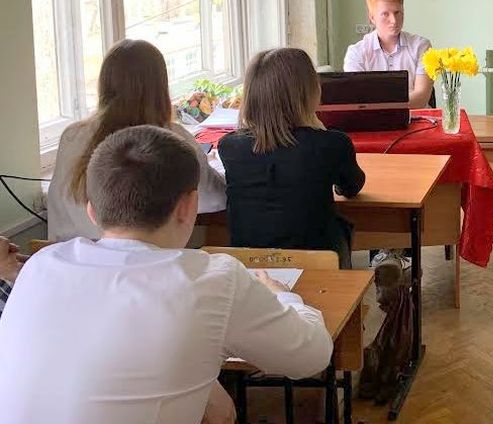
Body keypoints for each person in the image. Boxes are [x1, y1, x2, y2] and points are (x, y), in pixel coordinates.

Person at [0, 125, 332, 424]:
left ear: (91, 210)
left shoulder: (40, 266)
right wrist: (284, 295)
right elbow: (310, 356)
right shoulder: (214, 279)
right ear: (188, 207)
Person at [47, 39, 226, 241]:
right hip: (140, 258)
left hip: (66, 255)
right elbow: (214, 198)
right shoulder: (171, 140)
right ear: (160, 87)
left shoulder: (72, 136)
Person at [219, 48, 365, 266]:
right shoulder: (331, 143)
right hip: (317, 262)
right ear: (309, 92)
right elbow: (351, 187)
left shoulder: (229, 146)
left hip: (249, 264)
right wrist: (320, 131)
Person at [344, 0, 433, 109]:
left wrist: (376, 104)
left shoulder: (421, 46)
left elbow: (421, 99)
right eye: (385, 14)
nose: (394, 21)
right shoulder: (356, 53)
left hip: (415, 117)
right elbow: (357, 101)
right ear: (372, 18)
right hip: (373, 119)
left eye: (397, 12)